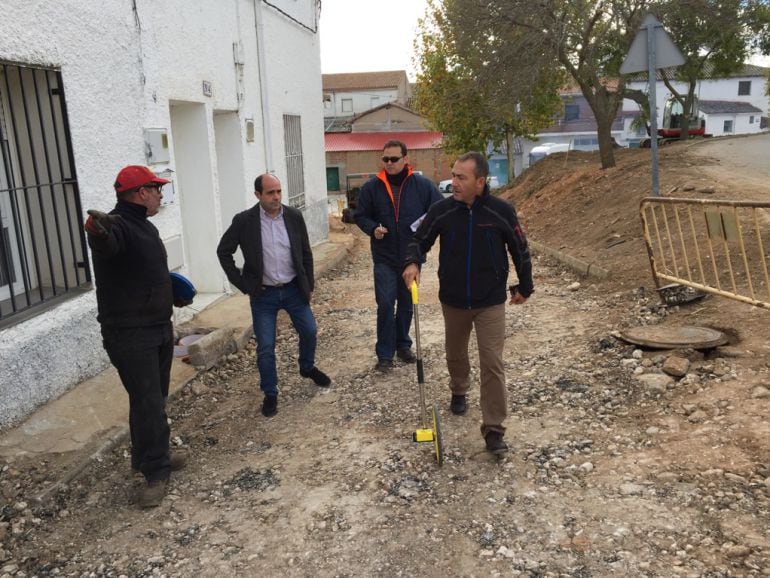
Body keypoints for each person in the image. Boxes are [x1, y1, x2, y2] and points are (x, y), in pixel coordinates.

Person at [402, 152, 534, 455]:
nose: (454, 182)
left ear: (480, 181)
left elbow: (520, 248)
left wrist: (525, 286)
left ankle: (493, 429)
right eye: (454, 175)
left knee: (492, 362)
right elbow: (418, 240)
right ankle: (459, 388)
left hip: (490, 301)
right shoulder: (442, 210)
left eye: (461, 177)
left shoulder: (501, 211)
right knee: (456, 354)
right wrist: (412, 262)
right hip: (454, 300)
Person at [84, 165, 189, 508]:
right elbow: (107, 244)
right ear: (140, 193)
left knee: (151, 401)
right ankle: (154, 474)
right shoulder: (118, 226)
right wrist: (97, 232)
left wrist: (170, 291)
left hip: (156, 327)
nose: (160, 193)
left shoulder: (144, 226)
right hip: (130, 335)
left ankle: (147, 458)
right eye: (156, 188)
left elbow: (140, 270)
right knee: (147, 403)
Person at [217, 173, 330, 418]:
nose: (276, 197)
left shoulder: (293, 216)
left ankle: (307, 367)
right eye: (270, 193)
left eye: (278, 191)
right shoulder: (244, 221)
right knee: (266, 347)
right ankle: (270, 392)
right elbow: (223, 251)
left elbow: (305, 252)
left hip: (292, 289)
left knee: (309, 330)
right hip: (263, 294)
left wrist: (308, 284)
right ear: (258, 195)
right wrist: (243, 284)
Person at [354, 140, 442, 371]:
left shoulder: (423, 185)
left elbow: (439, 210)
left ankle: (402, 345)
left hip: (411, 257)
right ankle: (385, 354)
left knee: (406, 304)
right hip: (383, 257)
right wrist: (372, 229)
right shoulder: (371, 187)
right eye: (386, 159)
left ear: (406, 159)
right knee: (385, 304)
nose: (390, 163)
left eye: (394, 159)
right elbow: (360, 215)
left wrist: (424, 232)